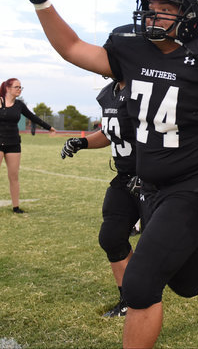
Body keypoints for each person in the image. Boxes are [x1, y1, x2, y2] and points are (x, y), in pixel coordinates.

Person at [17, 0, 198, 348]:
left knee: (140, 285)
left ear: (190, 14)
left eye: (165, 6)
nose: (153, 14)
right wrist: (42, 1)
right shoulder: (131, 49)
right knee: (187, 283)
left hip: (195, 188)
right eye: (150, 5)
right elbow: (71, 48)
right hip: (149, 186)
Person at [60, 79, 141, 317]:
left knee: (180, 266)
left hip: (155, 180)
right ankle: (129, 299)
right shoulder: (110, 93)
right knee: (112, 237)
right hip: (125, 178)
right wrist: (83, 142)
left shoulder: (145, 86)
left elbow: (161, 133)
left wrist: (150, 172)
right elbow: (110, 132)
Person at [0, 77, 56, 213]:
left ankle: (16, 207)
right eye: (17, 87)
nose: (19, 89)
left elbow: (33, 117)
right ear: (8, 88)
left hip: (13, 143)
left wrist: (49, 127)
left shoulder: (19, 105)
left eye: (20, 87)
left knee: (14, 176)